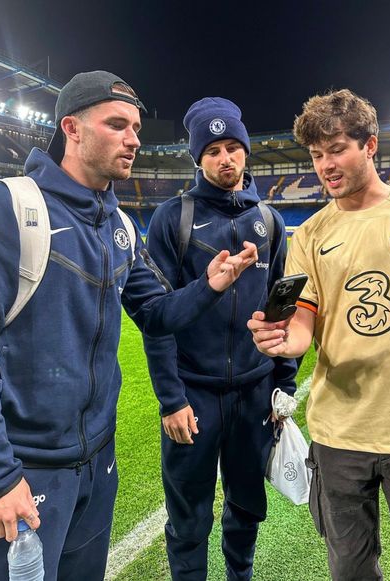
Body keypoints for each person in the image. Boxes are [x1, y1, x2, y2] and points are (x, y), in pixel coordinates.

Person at [0, 71, 258, 581]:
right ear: (71, 127)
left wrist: (211, 285)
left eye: (136, 126)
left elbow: (156, 314)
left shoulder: (119, 225)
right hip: (26, 471)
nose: (134, 138)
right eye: (117, 125)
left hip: (98, 459)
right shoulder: (10, 207)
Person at [248, 89, 390, 580]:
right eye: (317, 155)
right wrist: (282, 341)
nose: (325, 165)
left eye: (337, 148)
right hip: (339, 434)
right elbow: (304, 328)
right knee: (349, 571)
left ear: (370, 145)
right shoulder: (311, 234)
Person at [144, 97, 297, 580]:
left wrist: (284, 385)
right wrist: (171, 398)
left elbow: (282, 307)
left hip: (255, 393)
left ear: (246, 152)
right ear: (197, 158)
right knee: (189, 515)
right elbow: (157, 317)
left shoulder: (270, 222)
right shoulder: (173, 219)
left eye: (233, 146)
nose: (225, 158)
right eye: (213, 150)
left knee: (247, 505)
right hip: (193, 394)